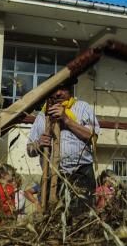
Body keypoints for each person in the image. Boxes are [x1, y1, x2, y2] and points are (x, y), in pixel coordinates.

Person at [26, 79, 101, 219]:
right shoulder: (42, 116)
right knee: (51, 220)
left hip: (80, 174)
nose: (59, 93)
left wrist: (66, 120)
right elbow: (29, 150)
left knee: (81, 219)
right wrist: (38, 144)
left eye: (63, 89)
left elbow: (93, 138)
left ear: (70, 90)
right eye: (55, 89)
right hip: (50, 176)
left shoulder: (82, 107)